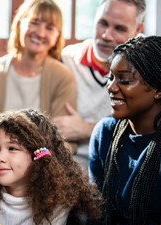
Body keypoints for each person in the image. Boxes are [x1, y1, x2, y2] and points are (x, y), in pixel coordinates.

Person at [88, 35, 161, 225]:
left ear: (159, 90)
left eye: (124, 80)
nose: (111, 87)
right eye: (110, 77)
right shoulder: (105, 133)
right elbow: (95, 213)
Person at [53, 0, 146, 169]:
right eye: (103, 24)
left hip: (123, 165)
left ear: (138, 30)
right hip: (69, 164)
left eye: (119, 28)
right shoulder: (67, 59)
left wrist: (88, 129)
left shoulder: (148, 67)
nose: (106, 36)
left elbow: (148, 130)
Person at [0, 0, 77, 152]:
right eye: (34, 22)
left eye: (50, 27)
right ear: (19, 24)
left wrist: (38, 158)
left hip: (42, 161)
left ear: (57, 37)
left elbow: (62, 140)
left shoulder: (62, 76)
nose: (40, 33)